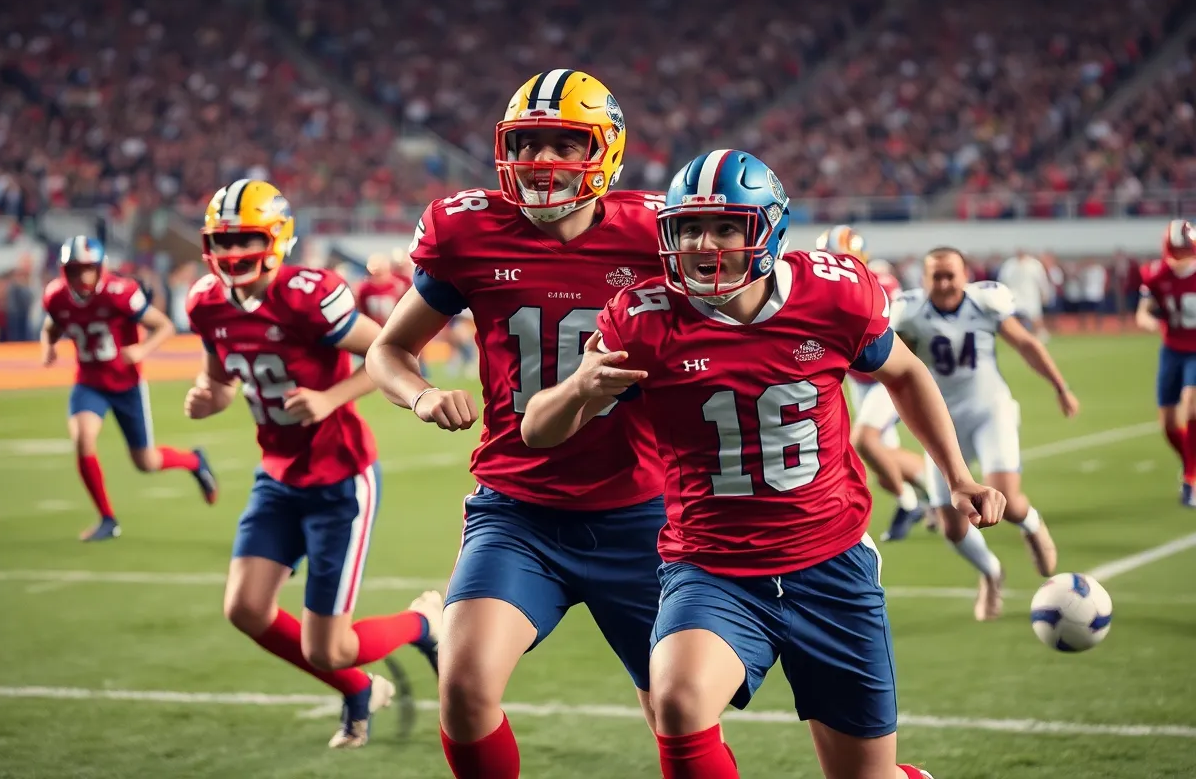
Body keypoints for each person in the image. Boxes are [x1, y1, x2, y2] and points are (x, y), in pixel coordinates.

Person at [520, 149, 1005, 779]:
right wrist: (580, 389)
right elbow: (537, 431)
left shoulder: (834, 293)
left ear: (769, 229)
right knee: (677, 699)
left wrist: (958, 474)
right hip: (713, 567)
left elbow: (905, 374)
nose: (704, 244)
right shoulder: (642, 320)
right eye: (688, 228)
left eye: (725, 226)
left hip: (830, 565)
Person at [366, 69, 668, 779]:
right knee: (465, 691)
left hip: (643, 510)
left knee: (677, 712)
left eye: (564, 144)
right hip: (519, 508)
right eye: (527, 143)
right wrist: (419, 396)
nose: (542, 163)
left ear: (607, 150)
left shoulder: (658, 233)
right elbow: (388, 349)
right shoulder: (469, 229)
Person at [184, 179, 441, 749]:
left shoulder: (308, 294)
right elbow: (220, 381)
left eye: (245, 239)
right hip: (276, 473)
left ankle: (425, 620)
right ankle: (359, 690)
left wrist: (328, 398)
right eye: (221, 242)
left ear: (276, 239)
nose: (231, 255)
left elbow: (387, 353)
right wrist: (209, 397)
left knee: (326, 646)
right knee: (246, 609)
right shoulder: (205, 301)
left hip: (338, 477)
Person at [891, 247, 1077, 620]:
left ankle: (1031, 524)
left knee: (1005, 497)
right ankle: (991, 573)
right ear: (924, 279)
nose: (944, 283)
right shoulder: (909, 312)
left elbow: (1026, 343)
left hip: (989, 409)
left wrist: (1060, 386)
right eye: (936, 276)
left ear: (965, 275)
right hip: (942, 419)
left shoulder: (985, 303)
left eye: (950, 275)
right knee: (952, 526)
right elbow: (897, 366)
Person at [41, 236, 217, 541]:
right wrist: (49, 347)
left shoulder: (120, 292)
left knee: (146, 462)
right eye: (74, 270)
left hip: (126, 384)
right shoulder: (57, 296)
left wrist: (141, 351)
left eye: (87, 269)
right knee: (84, 439)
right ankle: (107, 518)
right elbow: (51, 325)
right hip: (89, 381)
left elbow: (164, 326)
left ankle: (194, 461)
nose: (81, 277)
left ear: (100, 268)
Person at [816, 226, 934, 542]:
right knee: (885, 468)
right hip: (859, 380)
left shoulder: (877, 282)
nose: (833, 268)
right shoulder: (822, 288)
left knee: (864, 443)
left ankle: (913, 504)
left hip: (885, 375)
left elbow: (885, 331)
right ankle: (935, 496)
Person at [1137, 219, 1196, 506]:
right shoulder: (1156, 274)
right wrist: (1148, 321)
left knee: (1192, 403)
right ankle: (1190, 466)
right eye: (1176, 251)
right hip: (1172, 349)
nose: (1180, 258)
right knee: (1169, 422)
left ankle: (1192, 479)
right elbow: (1142, 313)